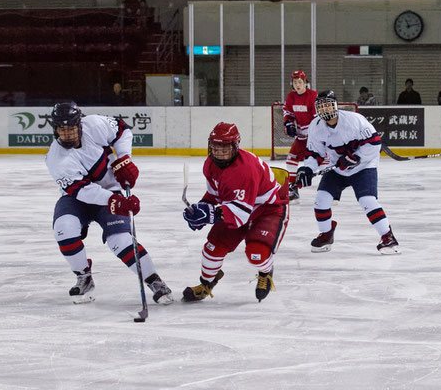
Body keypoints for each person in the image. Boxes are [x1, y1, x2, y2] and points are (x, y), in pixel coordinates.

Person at [45, 102, 172, 305]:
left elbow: (122, 130)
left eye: (71, 128)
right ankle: (84, 277)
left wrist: (124, 160)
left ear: (79, 124)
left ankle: (154, 280)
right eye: (62, 129)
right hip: (76, 198)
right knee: (64, 229)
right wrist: (115, 201)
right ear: (55, 129)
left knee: (120, 240)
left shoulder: (94, 125)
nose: (67, 134)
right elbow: (82, 191)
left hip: (111, 190)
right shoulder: (56, 158)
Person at [181, 123, 289, 302]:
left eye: (224, 148)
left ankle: (266, 272)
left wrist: (209, 214)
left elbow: (240, 216)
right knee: (212, 249)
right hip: (237, 208)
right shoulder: (209, 165)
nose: (219, 153)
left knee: (257, 254)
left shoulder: (244, 170)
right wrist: (200, 209)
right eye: (215, 148)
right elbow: (215, 194)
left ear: (235, 146)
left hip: (268, 209)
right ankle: (207, 283)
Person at [297, 90, 400, 254]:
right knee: (321, 200)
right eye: (321, 107)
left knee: (368, 200)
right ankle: (326, 233)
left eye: (328, 105)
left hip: (364, 166)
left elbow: (374, 144)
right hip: (338, 168)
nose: (325, 110)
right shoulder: (315, 126)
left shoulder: (354, 120)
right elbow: (314, 153)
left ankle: (388, 237)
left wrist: (356, 158)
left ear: (336, 105)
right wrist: (307, 169)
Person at [282, 70, 318, 202]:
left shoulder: (313, 96)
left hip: (314, 137)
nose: (297, 85)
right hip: (301, 136)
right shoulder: (291, 96)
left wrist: (314, 133)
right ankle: (293, 188)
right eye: (295, 82)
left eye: (300, 82)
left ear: (305, 83)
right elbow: (288, 112)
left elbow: (317, 118)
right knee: (291, 159)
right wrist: (288, 123)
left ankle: (331, 188)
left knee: (321, 162)